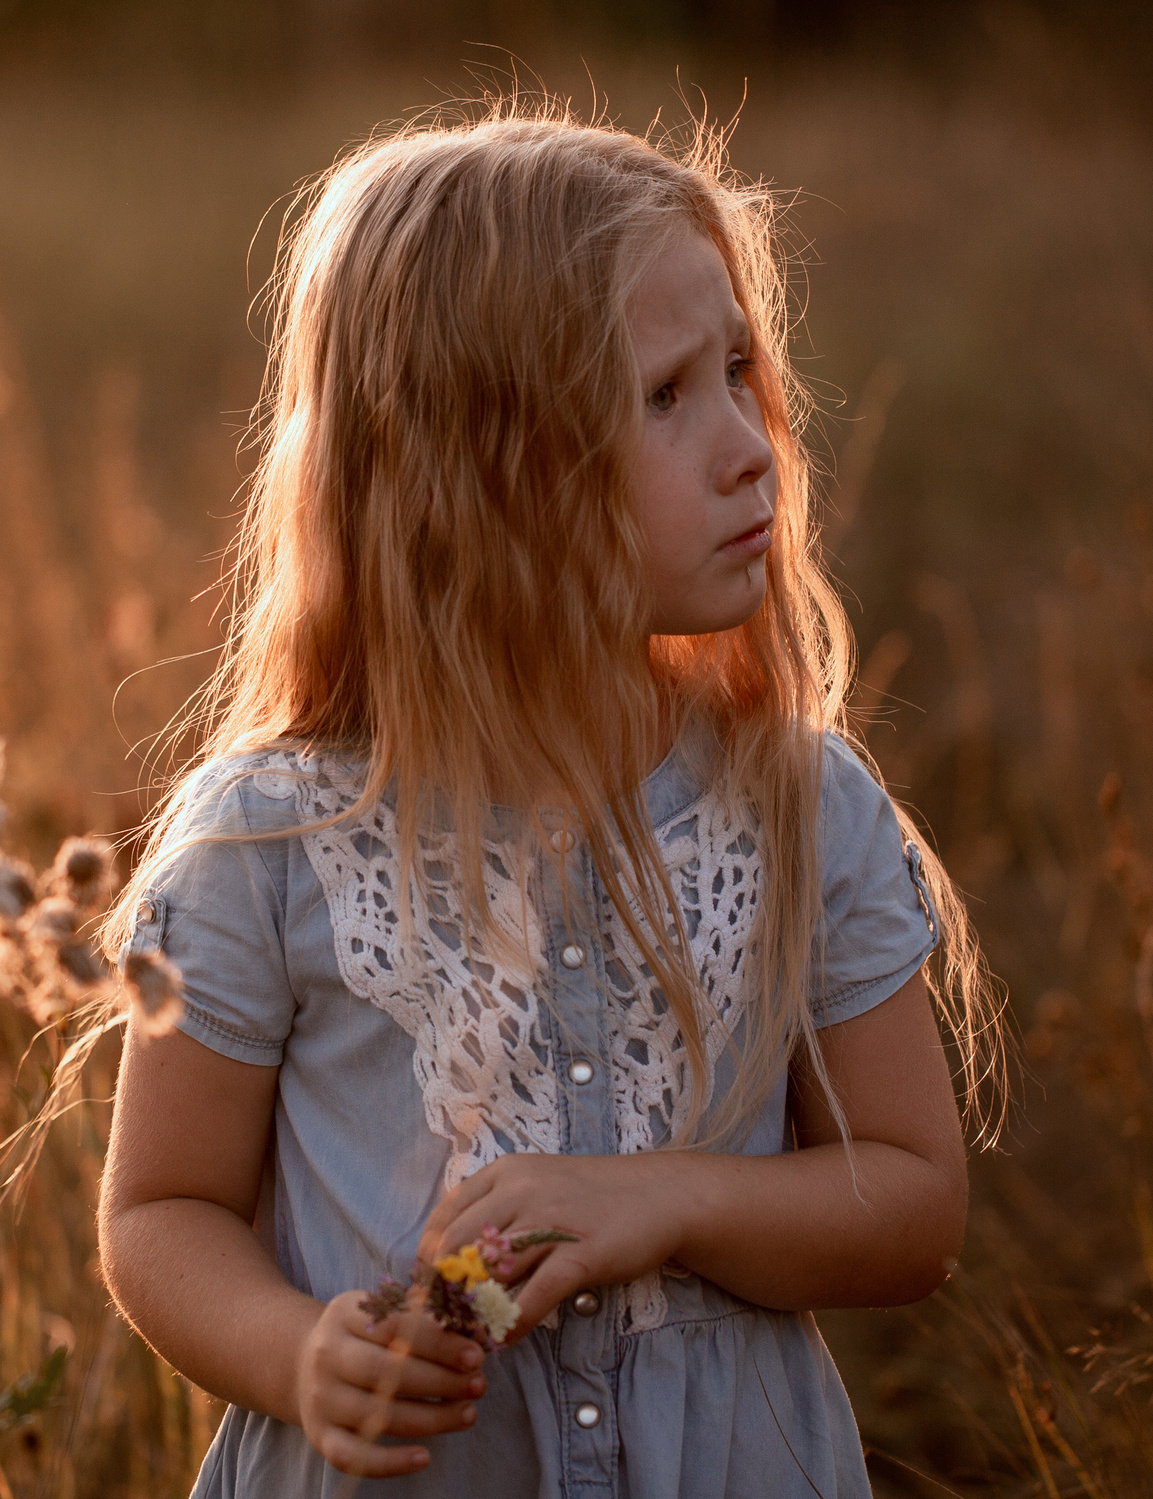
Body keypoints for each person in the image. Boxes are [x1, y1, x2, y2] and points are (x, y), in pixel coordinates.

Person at [94, 101, 1003, 1498]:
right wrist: (299, 1354)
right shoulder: (269, 842)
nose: (749, 442)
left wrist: (668, 1198)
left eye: (739, 371)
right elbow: (161, 1211)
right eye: (662, 397)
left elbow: (914, 1204)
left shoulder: (798, 805)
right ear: (480, 468)